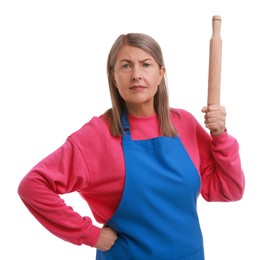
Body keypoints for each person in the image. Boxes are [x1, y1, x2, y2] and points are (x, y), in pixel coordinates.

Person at [18, 33, 245, 260]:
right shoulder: (97, 135)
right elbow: (33, 186)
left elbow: (229, 190)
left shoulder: (184, 124)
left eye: (146, 65)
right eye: (126, 66)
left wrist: (220, 135)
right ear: (114, 77)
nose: (136, 75)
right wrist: (89, 234)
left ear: (161, 74)